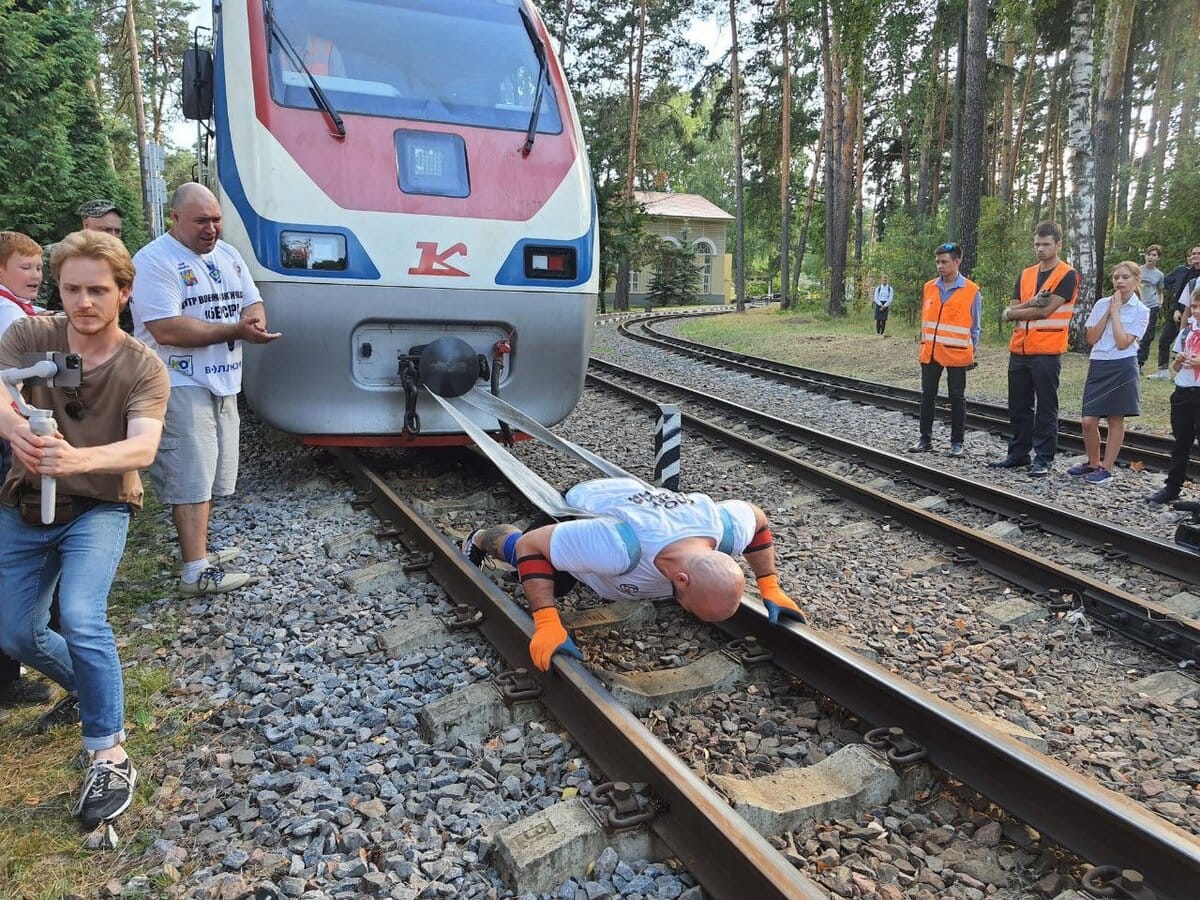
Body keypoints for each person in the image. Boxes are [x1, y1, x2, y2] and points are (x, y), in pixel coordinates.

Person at [0, 230, 170, 827]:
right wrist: (13, 429)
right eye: (71, 289)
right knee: (15, 633)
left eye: (98, 290)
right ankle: (89, 688)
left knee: (81, 614)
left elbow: (143, 448)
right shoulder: (28, 335)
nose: (83, 303)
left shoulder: (144, 367)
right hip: (25, 504)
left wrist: (76, 460)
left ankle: (108, 749)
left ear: (124, 292)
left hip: (99, 504)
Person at [461, 477, 806, 671]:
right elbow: (533, 546)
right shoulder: (615, 548)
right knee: (526, 557)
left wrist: (770, 586)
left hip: (638, 503)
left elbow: (758, 518)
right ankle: (479, 538)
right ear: (682, 581)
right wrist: (547, 621)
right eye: (687, 605)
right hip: (586, 507)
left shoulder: (725, 531)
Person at [131, 184, 280, 595]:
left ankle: (198, 551)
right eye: (201, 221)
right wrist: (235, 330)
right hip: (177, 379)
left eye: (216, 219)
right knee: (190, 474)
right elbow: (166, 328)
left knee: (210, 472)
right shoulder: (154, 261)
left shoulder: (229, 254)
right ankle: (195, 572)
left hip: (222, 377)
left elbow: (253, 301)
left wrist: (252, 319)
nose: (212, 228)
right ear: (175, 218)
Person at [0, 232, 54, 710]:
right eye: (25, 267)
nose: (36, 275)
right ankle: (8, 675)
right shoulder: (8, 315)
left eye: (39, 266)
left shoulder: (15, 308)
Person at [991, 222, 1078, 477]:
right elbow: (1016, 305)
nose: (1040, 249)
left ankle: (1043, 458)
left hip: (1047, 350)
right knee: (1018, 405)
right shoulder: (1026, 273)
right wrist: (1021, 309)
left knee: (1046, 407)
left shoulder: (1067, 274)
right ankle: (1018, 454)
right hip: (1020, 348)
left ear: (1058, 245)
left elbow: (1045, 310)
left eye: (1046, 244)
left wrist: (1013, 313)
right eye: (1037, 244)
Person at [1070, 261, 1150, 485]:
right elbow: (1091, 338)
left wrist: (1116, 314)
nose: (1120, 281)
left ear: (1136, 280)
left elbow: (1123, 342)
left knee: (1115, 418)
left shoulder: (1141, 311)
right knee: (1088, 420)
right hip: (1099, 363)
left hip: (1122, 364)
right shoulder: (1101, 304)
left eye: (1125, 277)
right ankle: (1093, 462)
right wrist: (1108, 311)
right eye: (1116, 277)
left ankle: (1107, 467)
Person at [908, 242, 981, 458]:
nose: (940, 266)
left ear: (957, 261)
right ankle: (925, 438)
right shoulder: (929, 287)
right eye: (938, 262)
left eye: (944, 262)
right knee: (927, 395)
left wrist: (971, 351)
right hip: (930, 352)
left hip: (957, 353)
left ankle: (957, 442)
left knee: (956, 397)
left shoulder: (971, 290)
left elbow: (975, 326)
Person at [1147, 289, 1200, 503]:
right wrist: (1178, 362)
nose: (1196, 311)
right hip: (1183, 393)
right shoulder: (1188, 331)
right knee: (1181, 443)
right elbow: (1177, 367)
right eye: (1195, 306)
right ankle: (1172, 487)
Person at [38, 200, 125, 310]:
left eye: (117, 231)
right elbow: (37, 305)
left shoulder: (121, 260)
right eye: (106, 230)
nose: (113, 236)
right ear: (86, 225)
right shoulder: (57, 254)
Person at [1150, 245, 1200, 379]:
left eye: (1197, 253)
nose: (1194, 256)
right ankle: (1163, 371)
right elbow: (1177, 290)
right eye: (1192, 253)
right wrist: (1177, 308)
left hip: (1194, 318)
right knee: (1165, 341)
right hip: (1179, 312)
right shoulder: (1185, 272)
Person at [1137, 245, 1165, 372]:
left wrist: (1160, 303)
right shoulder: (1137, 270)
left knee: (1147, 335)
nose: (1150, 257)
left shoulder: (1159, 275)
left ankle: (1140, 363)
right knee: (1135, 333)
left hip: (1151, 306)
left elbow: (1160, 291)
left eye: (1154, 255)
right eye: (1149, 254)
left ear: (1158, 258)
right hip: (1137, 305)